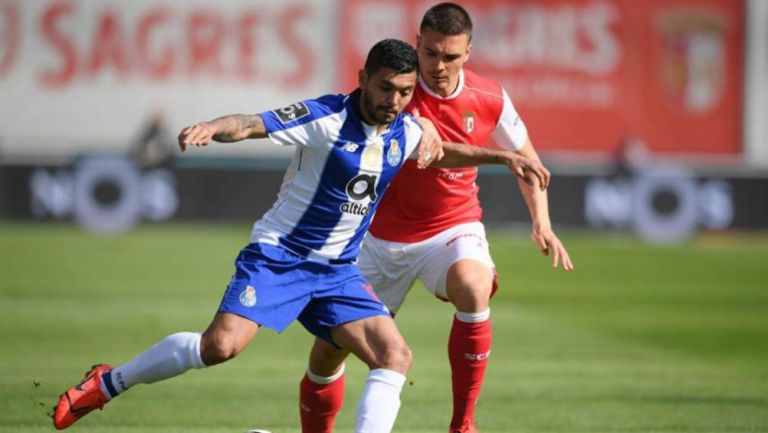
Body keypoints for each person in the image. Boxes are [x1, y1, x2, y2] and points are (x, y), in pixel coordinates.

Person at [51, 38, 548, 433]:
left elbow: (444, 152)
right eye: (383, 89)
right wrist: (210, 127)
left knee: (395, 355)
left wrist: (504, 157)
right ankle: (108, 382)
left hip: (337, 273)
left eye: (403, 91)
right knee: (218, 347)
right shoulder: (327, 118)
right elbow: (252, 124)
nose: (392, 101)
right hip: (279, 258)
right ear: (363, 81)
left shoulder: (409, 130)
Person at [298, 4, 574, 433]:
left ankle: (463, 425)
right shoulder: (394, 90)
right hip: (376, 238)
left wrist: (542, 222)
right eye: (430, 53)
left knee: (473, 285)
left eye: (450, 56)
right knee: (328, 353)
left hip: (450, 227)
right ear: (417, 45)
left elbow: (529, 163)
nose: (438, 65)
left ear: (468, 53)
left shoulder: (489, 99)